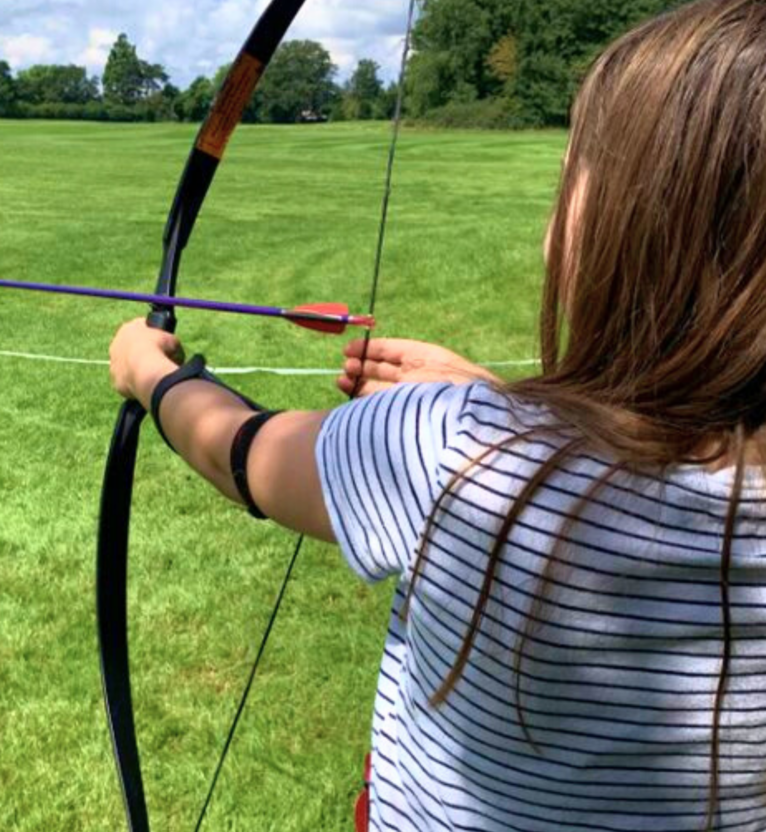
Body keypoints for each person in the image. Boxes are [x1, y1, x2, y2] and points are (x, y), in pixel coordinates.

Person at [108, 1, 766, 828]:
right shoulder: (481, 443)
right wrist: (498, 405)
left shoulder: (451, 450)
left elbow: (240, 454)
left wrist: (150, 375)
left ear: (625, 229)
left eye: (573, 174)